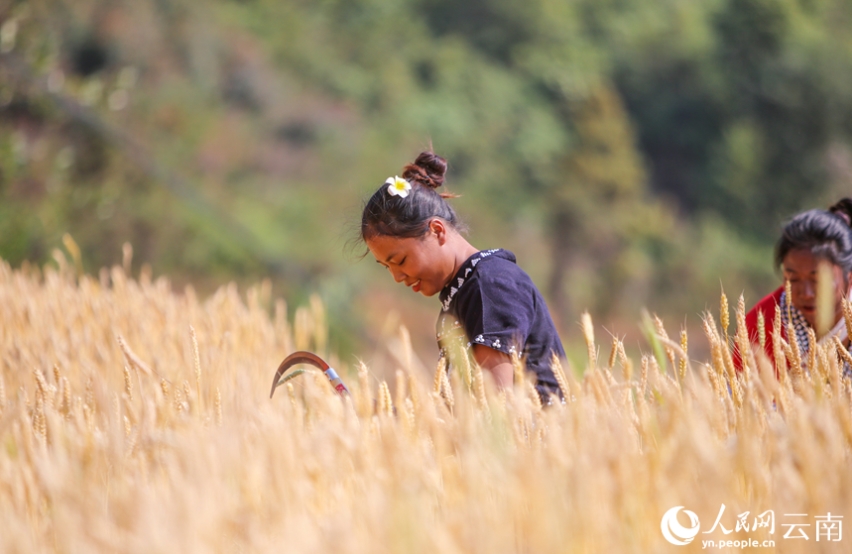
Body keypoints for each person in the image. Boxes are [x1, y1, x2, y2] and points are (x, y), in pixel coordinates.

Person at [360, 151, 565, 401]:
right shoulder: (463, 292)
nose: (396, 277)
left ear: (437, 231)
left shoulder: (491, 286)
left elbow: (497, 408)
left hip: (541, 438)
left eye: (400, 261)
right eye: (386, 267)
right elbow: (462, 408)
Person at [739, 198, 852, 374]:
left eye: (818, 280)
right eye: (793, 279)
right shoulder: (762, 324)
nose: (806, 293)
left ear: (849, 278)